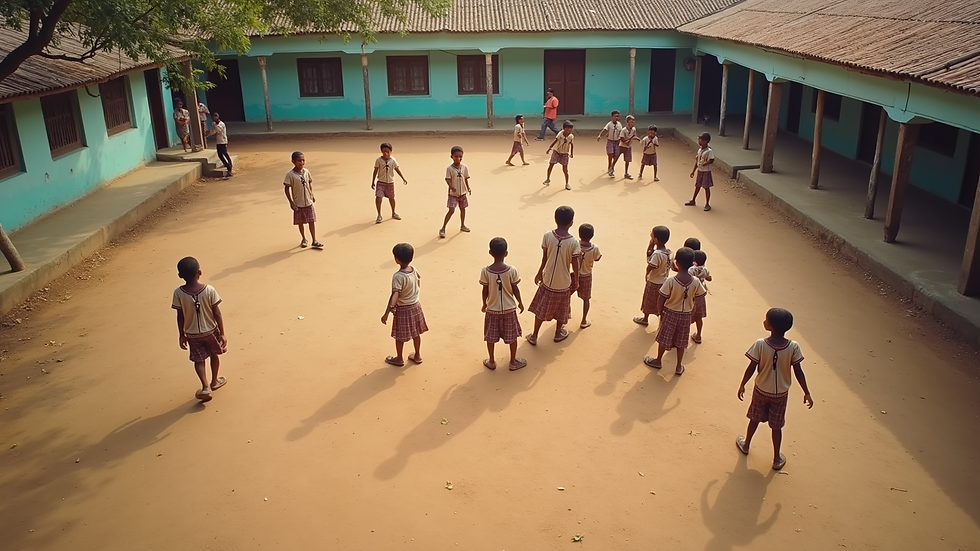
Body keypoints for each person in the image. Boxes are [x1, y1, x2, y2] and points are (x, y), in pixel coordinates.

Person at [736, 308, 813, 471]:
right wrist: (806, 392)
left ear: (769, 326)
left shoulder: (760, 344)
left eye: (766, 320)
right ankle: (777, 457)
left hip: (761, 390)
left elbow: (751, 367)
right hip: (781, 394)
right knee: (777, 426)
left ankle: (746, 444)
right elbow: (798, 371)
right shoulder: (793, 347)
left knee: (754, 419)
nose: (764, 321)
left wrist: (742, 384)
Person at [642, 247, 706, 376]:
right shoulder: (695, 281)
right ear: (692, 263)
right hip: (686, 314)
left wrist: (660, 312)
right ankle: (678, 366)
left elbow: (662, 297)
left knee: (664, 337)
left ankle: (658, 360)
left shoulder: (670, 281)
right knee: (681, 341)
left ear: (676, 263)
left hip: (670, 312)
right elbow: (700, 296)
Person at [172, 256, 227, 402]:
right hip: (211, 330)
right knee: (214, 355)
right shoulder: (209, 290)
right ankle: (214, 381)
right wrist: (222, 333)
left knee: (199, 360)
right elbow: (217, 312)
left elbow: (180, 316)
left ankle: (205, 387)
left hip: (192, 334)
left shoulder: (178, 293)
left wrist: (181, 335)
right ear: (199, 272)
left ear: (180, 276)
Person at [527, 206, 582, 345]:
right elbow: (576, 263)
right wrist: (576, 279)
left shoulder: (547, 235)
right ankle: (558, 333)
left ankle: (534, 335)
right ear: (571, 222)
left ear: (555, 219)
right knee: (562, 309)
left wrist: (540, 273)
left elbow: (544, 257)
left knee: (541, 308)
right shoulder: (573, 242)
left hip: (547, 280)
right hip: (563, 282)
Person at [480, 237, 527, 371]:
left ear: (490, 252)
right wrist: (520, 302)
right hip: (509, 309)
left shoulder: (485, 271)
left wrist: (484, 304)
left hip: (492, 309)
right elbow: (515, 288)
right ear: (506, 253)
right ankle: (513, 361)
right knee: (512, 336)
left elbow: (485, 290)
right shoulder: (512, 270)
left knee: (490, 336)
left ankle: (492, 361)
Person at [381, 243, 427, 367]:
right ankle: (417, 355)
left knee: (399, 336)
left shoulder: (398, 276)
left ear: (396, 259)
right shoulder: (413, 269)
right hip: (416, 306)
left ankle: (399, 358)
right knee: (416, 333)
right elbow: (419, 280)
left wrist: (388, 311)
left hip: (403, 309)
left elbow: (395, 294)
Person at [283, 151, 322, 249]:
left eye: (303, 160)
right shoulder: (290, 175)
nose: (302, 162)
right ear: (293, 161)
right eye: (299, 160)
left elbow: (309, 183)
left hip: (308, 201)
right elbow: (287, 188)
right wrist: (291, 202)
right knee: (300, 222)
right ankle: (304, 238)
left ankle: (314, 240)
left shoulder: (306, 172)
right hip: (298, 203)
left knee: (311, 220)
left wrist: (312, 195)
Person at [634, 226, 671, 326]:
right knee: (661, 303)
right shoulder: (668, 253)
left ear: (655, 240)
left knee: (648, 300)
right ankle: (661, 322)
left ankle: (645, 318)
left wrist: (647, 274)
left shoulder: (657, 254)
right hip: (664, 282)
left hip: (654, 282)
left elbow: (650, 264)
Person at [371, 142, 408, 224]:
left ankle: (394, 212)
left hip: (390, 183)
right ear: (381, 151)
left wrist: (403, 178)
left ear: (390, 151)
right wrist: (373, 181)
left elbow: (397, 169)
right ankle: (379, 215)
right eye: (384, 151)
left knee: (391, 198)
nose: (385, 153)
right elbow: (375, 170)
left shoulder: (393, 161)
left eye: (387, 151)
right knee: (378, 198)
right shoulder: (378, 160)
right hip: (381, 182)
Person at [440, 146, 471, 238]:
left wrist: (468, 188)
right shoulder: (449, 169)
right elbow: (447, 179)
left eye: (460, 156)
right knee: (451, 210)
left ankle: (462, 225)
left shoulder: (464, 167)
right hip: (453, 194)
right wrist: (452, 187)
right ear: (452, 157)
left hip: (462, 193)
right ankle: (443, 228)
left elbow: (466, 178)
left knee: (463, 209)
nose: (458, 158)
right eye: (456, 156)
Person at [576, 223, 601, 329]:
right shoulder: (595, 248)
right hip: (586, 275)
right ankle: (583, 320)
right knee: (586, 299)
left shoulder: (575, 244)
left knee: (567, 295)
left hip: (574, 273)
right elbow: (597, 258)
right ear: (592, 235)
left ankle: (566, 314)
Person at [687, 132, 715, 211]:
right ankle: (693, 200)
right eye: (699, 139)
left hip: (706, 171)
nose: (699, 141)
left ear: (706, 141)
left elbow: (712, 160)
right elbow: (697, 161)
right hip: (700, 171)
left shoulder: (709, 151)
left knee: (706, 187)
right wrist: (693, 171)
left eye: (701, 140)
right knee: (697, 186)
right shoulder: (700, 150)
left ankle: (707, 203)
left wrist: (704, 164)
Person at [544, 120, 575, 190]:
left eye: (570, 129)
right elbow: (555, 141)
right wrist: (549, 148)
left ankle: (567, 183)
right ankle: (548, 179)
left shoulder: (571, 136)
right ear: (564, 128)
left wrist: (572, 153)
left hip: (565, 154)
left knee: (565, 169)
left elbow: (571, 144)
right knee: (551, 165)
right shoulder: (560, 134)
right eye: (567, 129)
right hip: (557, 152)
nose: (569, 130)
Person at [689, 250, 712, 344]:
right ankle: (698, 335)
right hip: (700, 296)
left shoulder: (691, 269)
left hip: (691, 295)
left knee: (686, 316)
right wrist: (704, 277)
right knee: (699, 317)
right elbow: (710, 278)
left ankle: (681, 335)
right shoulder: (705, 269)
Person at [596, 110, 623, 177]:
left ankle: (612, 166)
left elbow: (621, 133)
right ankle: (609, 167)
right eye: (615, 116)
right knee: (610, 154)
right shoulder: (609, 124)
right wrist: (599, 135)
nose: (616, 118)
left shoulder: (619, 124)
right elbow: (604, 130)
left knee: (616, 155)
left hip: (617, 141)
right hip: (610, 141)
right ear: (612, 117)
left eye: (617, 116)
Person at [209, 112, 232, 178]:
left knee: (225, 154)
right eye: (213, 117)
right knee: (220, 155)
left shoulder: (221, 124)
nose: (214, 118)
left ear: (218, 117)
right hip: (218, 142)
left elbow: (219, 131)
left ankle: (229, 168)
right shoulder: (215, 124)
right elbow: (213, 132)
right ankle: (226, 164)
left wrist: (214, 126)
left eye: (215, 117)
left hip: (223, 141)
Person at [618, 115, 637, 180]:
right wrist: (630, 139)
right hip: (622, 146)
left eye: (633, 122)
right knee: (616, 158)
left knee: (627, 161)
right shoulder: (623, 130)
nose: (632, 123)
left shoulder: (634, 129)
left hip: (628, 147)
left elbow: (634, 136)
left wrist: (638, 139)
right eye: (631, 122)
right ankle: (611, 168)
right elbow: (622, 140)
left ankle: (626, 173)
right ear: (627, 122)